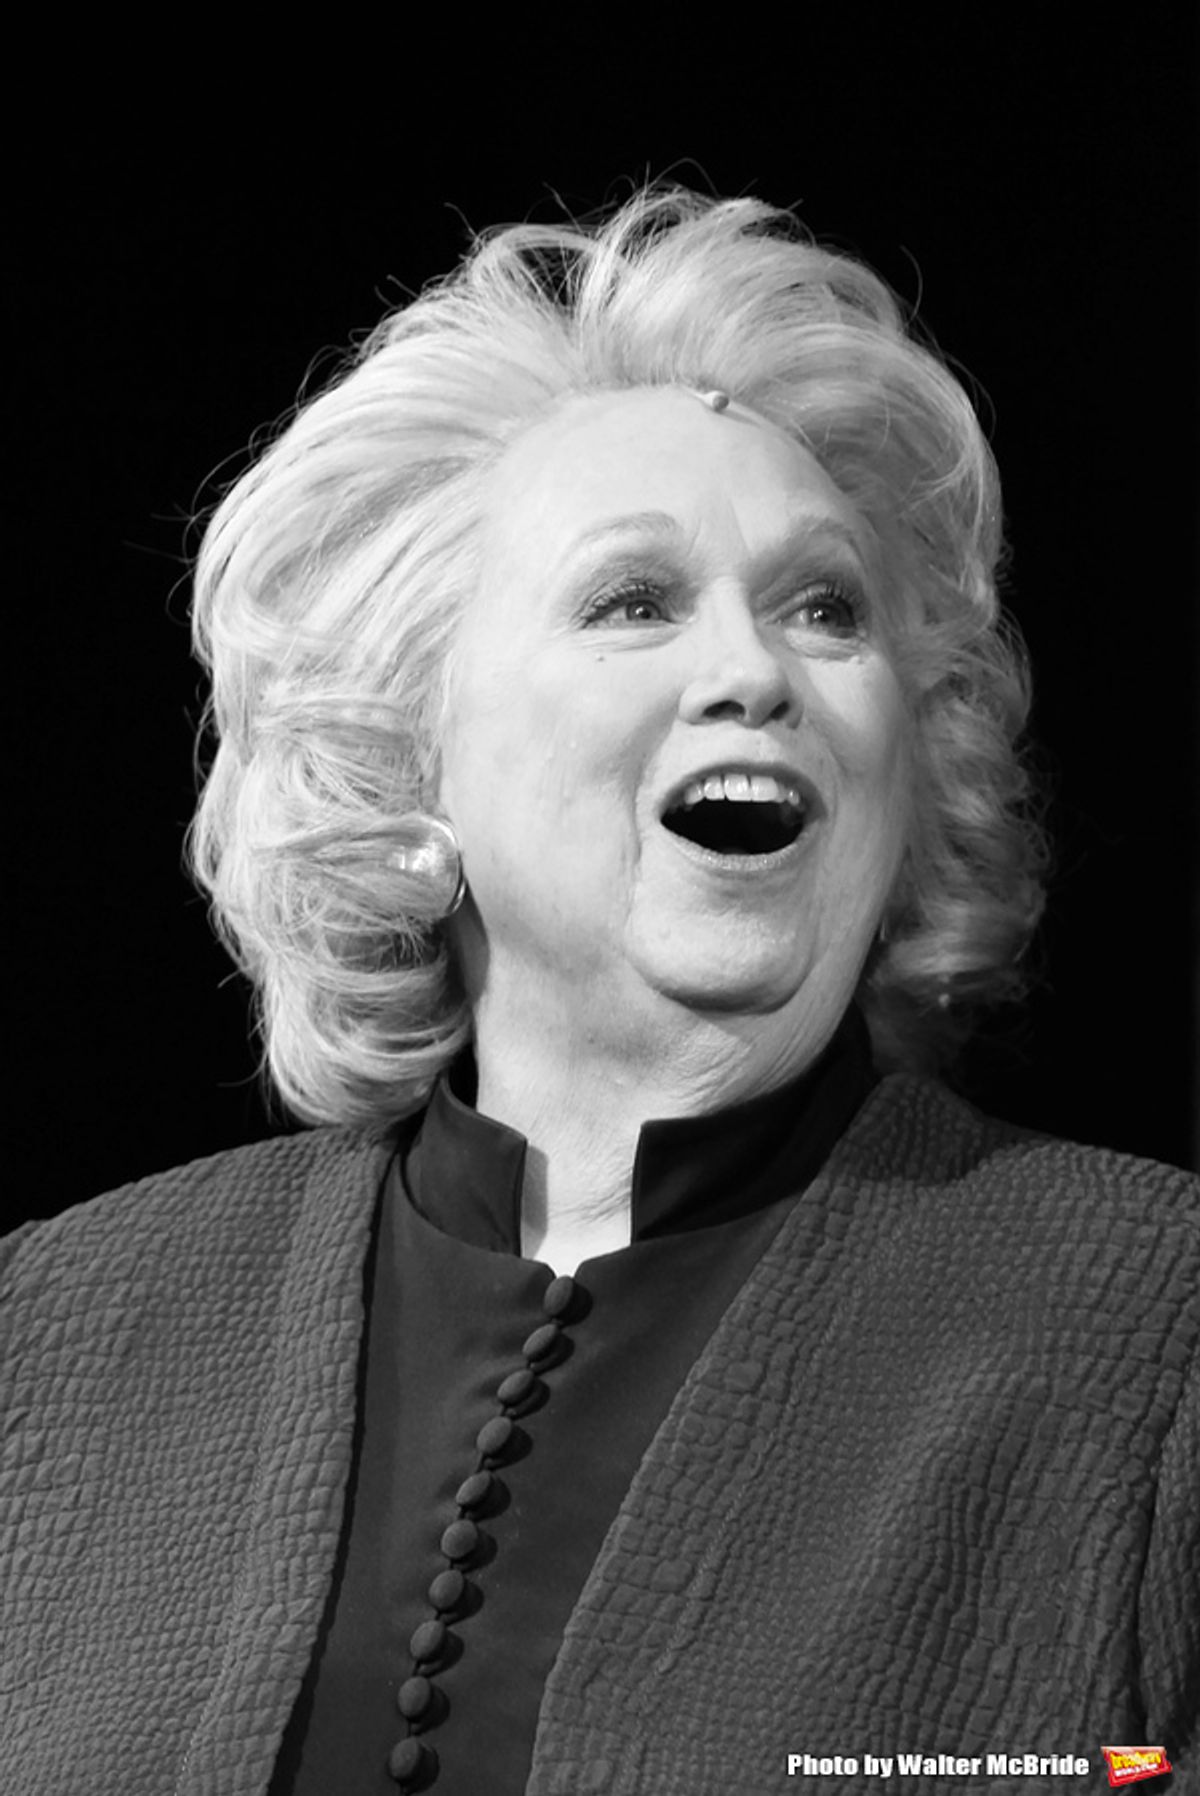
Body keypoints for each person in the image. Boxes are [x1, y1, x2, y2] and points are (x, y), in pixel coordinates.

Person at [2, 184, 1197, 1796]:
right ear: (403, 760)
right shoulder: (54, 1330)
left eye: (826, 609)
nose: (756, 672)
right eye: (634, 601)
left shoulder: (1158, 1331)